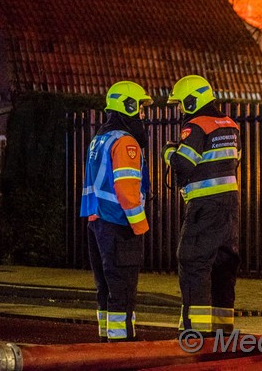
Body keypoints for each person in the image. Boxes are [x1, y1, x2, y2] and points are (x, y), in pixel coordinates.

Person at [162, 75, 241, 335]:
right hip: (230, 208)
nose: (180, 109)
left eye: (181, 103)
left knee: (193, 260)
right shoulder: (230, 125)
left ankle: (194, 331)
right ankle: (222, 328)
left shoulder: (196, 126)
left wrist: (169, 152)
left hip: (204, 206)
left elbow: (184, 163)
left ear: (192, 100)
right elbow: (235, 160)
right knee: (223, 264)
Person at [80, 80, 153, 342]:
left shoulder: (99, 139)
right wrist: (140, 225)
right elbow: (126, 190)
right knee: (122, 289)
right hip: (119, 224)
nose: (143, 115)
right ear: (128, 106)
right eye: (140, 108)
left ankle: (105, 343)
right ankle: (124, 347)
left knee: (106, 288)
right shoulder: (125, 142)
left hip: (96, 222)